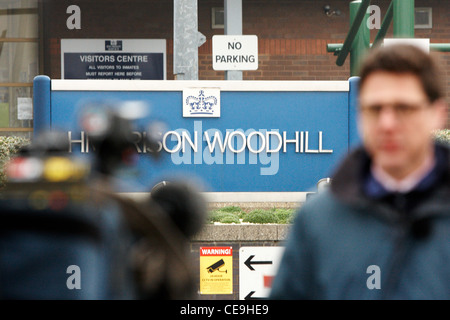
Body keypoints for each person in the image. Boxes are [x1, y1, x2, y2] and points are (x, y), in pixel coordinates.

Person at [270, 44, 450, 300]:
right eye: (375, 109)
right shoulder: (317, 221)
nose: (387, 124)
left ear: (437, 114)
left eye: (403, 108)